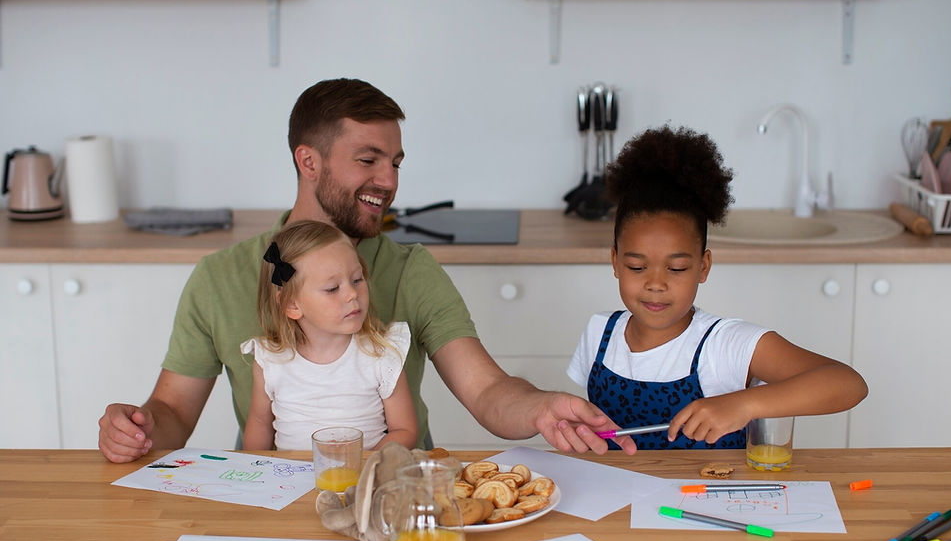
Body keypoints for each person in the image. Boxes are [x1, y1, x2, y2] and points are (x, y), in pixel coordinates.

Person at [98, 78, 635, 463]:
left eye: (395, 163)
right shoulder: (220, 277)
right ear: (308, 162)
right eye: (368, 160)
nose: (389, 180)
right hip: (276, 499)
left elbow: (488, 391)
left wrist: (542, 408)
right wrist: (137, 429)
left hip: (393, 495)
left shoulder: (409, 270)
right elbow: (172, 412)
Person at [566, 125, 868, 450]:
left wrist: (745, 404)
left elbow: (848, 384)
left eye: (677, 268)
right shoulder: (599, 334)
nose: (655, 284)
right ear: (615, 262)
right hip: (617, 498)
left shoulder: (725, 345)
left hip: (705, 500)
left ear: (703, 267)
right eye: (637, 267)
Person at [241, 220, 417, 451]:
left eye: (357, 279)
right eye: (333, 288)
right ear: (292, 305)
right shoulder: (271, 360)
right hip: (291, 483)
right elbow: (259, 424)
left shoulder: (381, 353)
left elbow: (405, 430)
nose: (352, 294)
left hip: (364, 481)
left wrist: (365, 465)